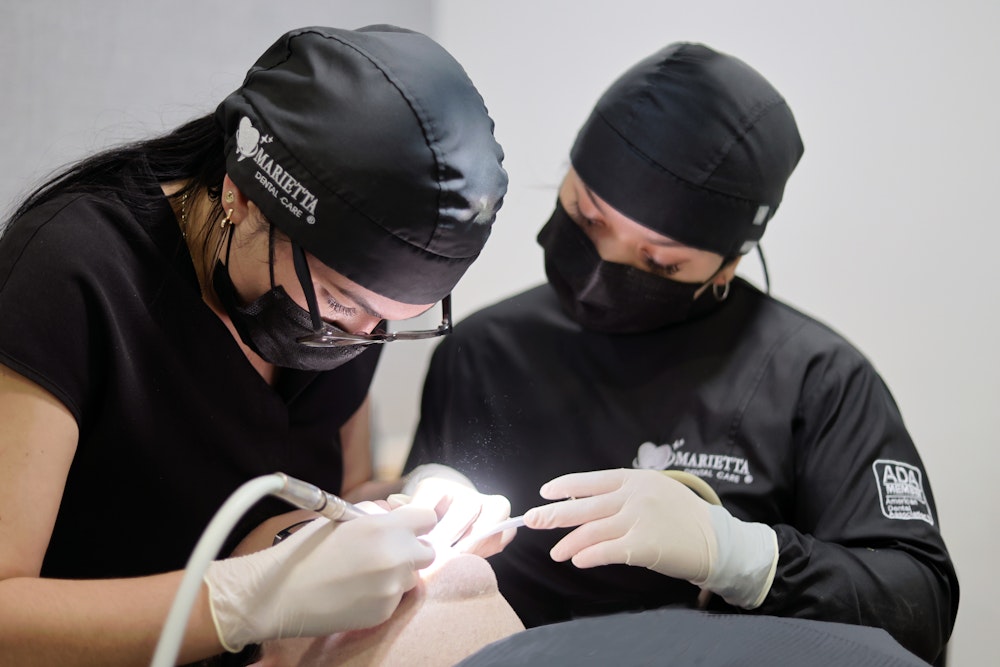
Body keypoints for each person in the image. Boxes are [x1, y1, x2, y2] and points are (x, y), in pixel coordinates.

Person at [403, 42, 958, 664]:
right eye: (587, 218)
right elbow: (427, 534)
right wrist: (427, 499)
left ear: (729, 262)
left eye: (660, 261)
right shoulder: (483, 349)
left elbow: (920, 605)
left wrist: (739, 556)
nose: (601, 271)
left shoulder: (817, 380)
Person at [0, 24, 507, 666]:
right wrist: (239, 602)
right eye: (343, 303)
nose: (360, 337)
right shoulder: (72, 275)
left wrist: (416, 501)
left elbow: (341, 491)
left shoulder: (352, 311)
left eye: (391, 319)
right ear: (239, 196)